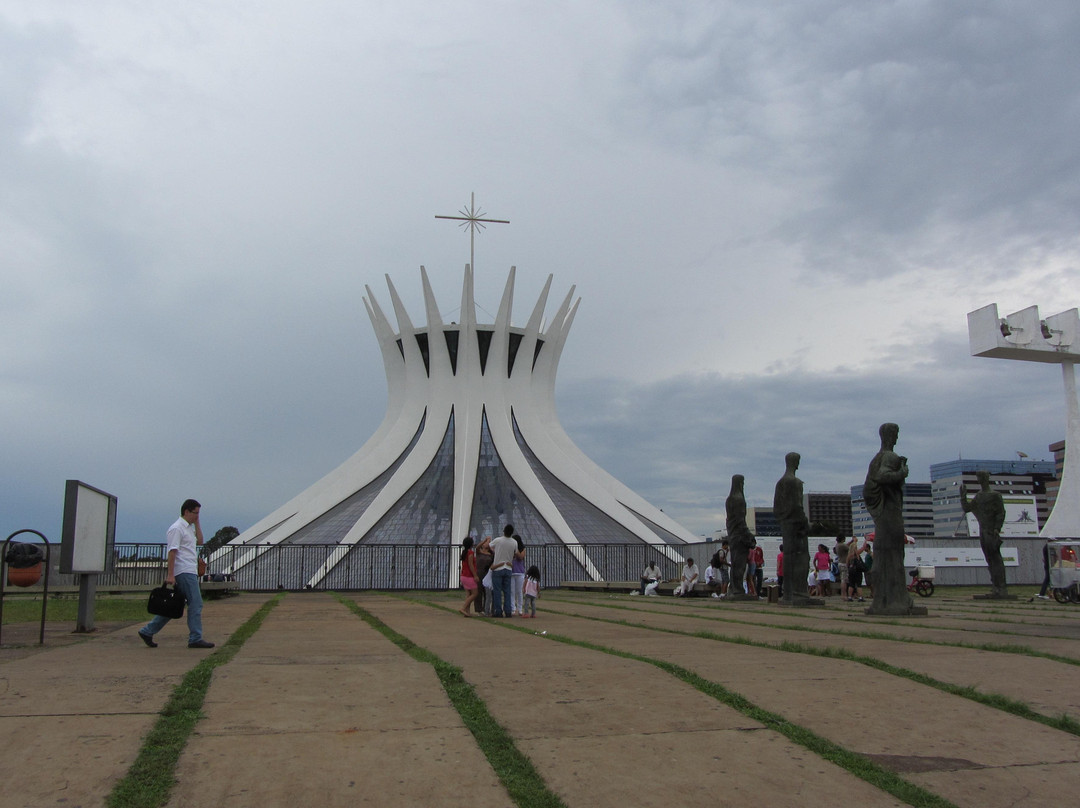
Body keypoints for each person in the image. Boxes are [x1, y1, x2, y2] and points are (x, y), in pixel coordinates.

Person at [138, 499, 214, 649]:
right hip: (183, 570)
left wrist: (197, 524)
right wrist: (170, 574)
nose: (196, 516)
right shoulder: (177, 528)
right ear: (186, 511)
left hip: (189, 569)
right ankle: (195, 638)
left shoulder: (189, 528)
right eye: (195, 513)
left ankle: (147, 631)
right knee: (196, 603)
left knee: (174, 605)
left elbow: (200, 541)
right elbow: (172, 552)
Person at [864, 423, 914, 614]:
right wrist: (902, 473)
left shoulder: (876, 458)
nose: (897, 438)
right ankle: (895, 598)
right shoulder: (889, 457)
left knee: (885, 554)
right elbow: (881, 476)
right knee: (893, 555)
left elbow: (869, 487)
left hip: (883, 514)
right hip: (890, 512)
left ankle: (884, 597)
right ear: (891, 436)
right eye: (896, 434)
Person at [961, 470, 1009, 598]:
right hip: (983, 531)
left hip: (991, 531)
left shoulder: (995, 495)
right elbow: (967, 508)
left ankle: (1001, 587)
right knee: (989, 559)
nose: (980, 480)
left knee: (996, 559)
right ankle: (995, 586)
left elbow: (1001, 513)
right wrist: (962, 497)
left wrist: (997, 528)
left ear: (987, 478)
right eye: (978, 477)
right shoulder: (979, 496)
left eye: (981, 477)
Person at [774, 452, 813, 604]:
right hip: (797, 525)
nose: (798, 464)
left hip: (786, 524)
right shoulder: (795, 482)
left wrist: (783, 519)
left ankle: (788, 592)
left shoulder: (780, 483)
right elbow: (797, 505)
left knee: (789, 557)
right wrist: (804, 523)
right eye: (798, 461)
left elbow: (776, 508)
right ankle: (799, 592)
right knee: (801, 558)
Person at [489, 524, 517, 617]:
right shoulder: (514, 542)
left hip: (498, 568)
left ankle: (498, 611)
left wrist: (495, 552)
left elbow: (490, 546)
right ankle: (508, 611)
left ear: (504, 531)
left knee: (497, 591)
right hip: (508, 567)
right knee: (507, 591)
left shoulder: (498, 540)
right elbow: (515, 553)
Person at [459, 536, 480, 616]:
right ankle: (463, 608)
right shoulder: (470, 553)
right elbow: (471, 565)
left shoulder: (464, 552)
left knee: (468, 593)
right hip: (469, 576)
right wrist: (475, 575)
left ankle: (467, 612)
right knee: (475, 593)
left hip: (463, 575)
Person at [474, 536, 494, 615]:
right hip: (479, 572)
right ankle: (479, 609)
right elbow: (477, 547)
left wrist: (489, 544)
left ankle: (486, 608)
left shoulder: (490, 554)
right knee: (478, 591)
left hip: (487, 573)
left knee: (487, 592)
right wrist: (484, 540)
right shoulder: (479, 552)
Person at [511, 535, 527, 616]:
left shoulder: (522, 549)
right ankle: (513, 608)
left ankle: (520, 608)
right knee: (512, 591)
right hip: (511, 572)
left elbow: (521, 557)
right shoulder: (510, 548)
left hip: (520, 572)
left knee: (519, 591)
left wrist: (516, 550)